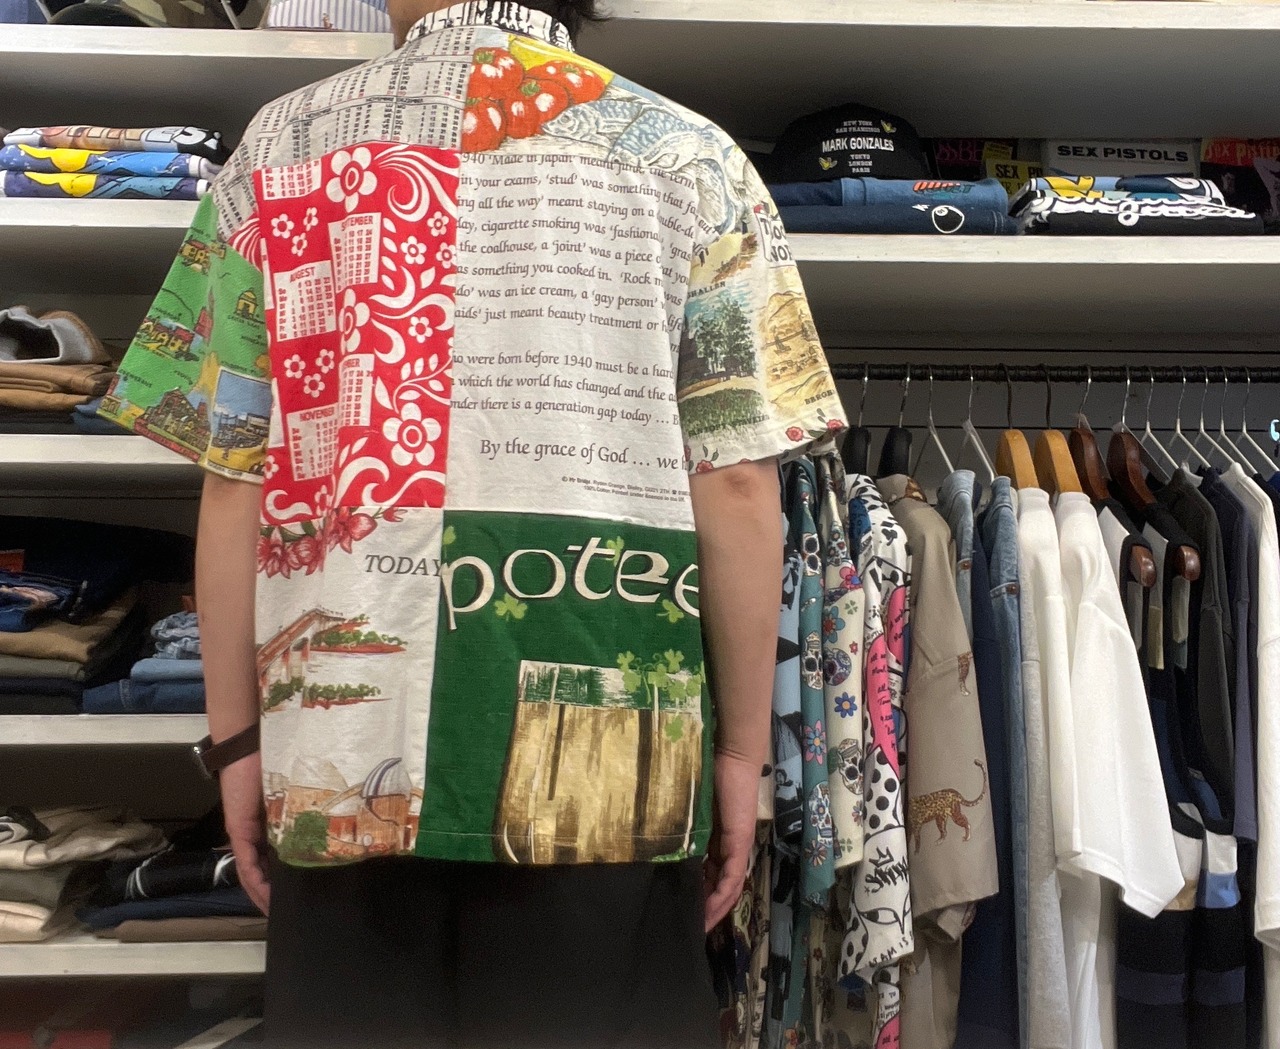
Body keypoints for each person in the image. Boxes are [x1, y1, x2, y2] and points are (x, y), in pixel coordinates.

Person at [100, 1, 847, 1045]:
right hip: (611, 762)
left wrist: (235, 747)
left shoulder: (279, 148)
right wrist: (738, 757)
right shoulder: (692, 159)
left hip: (342, 763)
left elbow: (235, 481)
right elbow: (736, 489)